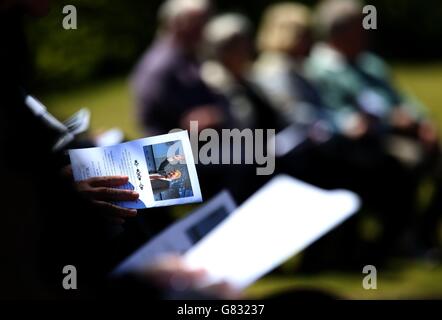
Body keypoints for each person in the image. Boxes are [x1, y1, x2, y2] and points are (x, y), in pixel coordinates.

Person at [131, 0, 231, 135]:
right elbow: (153, 122)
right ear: (176, 24)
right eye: (197, 23)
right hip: (179, 149)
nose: (205, 29)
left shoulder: (190, 53)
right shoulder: (160, 66)